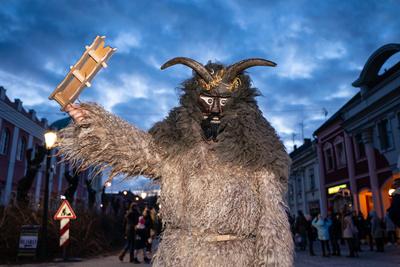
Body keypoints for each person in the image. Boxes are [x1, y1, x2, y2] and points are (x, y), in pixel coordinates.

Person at [60, 58, 293, 266]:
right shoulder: (175, 147)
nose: (214, 109)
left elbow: (272, 227)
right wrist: (91, 123)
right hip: (178, 257)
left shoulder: (258, 157)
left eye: (222, 102)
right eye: (207, 100)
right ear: (194, 102)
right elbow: (133, 148)